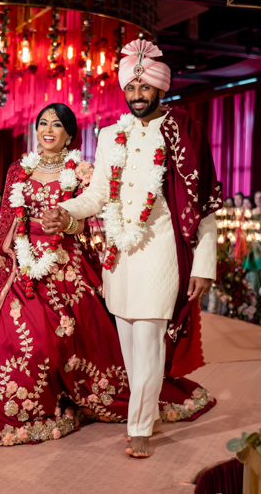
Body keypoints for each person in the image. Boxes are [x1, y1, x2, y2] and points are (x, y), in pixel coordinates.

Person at [0, 99, 216, 452]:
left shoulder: (81, 170)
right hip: (25, 264)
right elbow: (8, 216)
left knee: (69, 343)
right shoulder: (18, 169)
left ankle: (112, 406)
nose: (47, 130)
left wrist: (64, 221)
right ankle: (26, 410)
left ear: (69, 136)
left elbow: (91, 217)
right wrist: (8, 256)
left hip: (66, 265)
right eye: (43, 123)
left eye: (56, 126)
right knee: (19, 341)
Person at [42, 39, 220, 458]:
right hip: (119, 253)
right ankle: (150, 413)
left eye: (145, 88)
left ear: (161, 88)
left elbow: (206, 204)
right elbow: (98, 194)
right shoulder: (109, 135)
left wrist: (204, 265)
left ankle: (138, 426)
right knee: (129, 343)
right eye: (131, 88)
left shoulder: (183, 132)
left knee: (150, 341)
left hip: (162, 250)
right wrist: (65, 210)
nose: (138, 96)